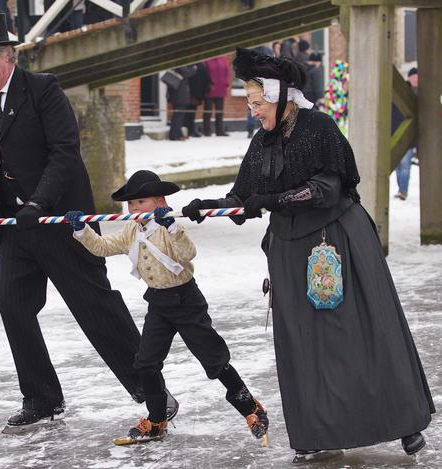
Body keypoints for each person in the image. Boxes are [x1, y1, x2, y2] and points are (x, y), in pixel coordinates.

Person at [182, 48, 435, 463]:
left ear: (281, 97)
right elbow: (244, 196)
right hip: (289, 251)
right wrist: (208, 205)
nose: (253, 111)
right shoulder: (262, 141)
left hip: (336, 241)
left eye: (258, 103)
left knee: (359, 336)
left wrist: (274, 199)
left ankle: (402, 422)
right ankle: (315, 431)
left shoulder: (319, 127)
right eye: (249, 103)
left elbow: (325, 189)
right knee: (302, 344)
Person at [0, 13, 178, 427]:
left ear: (6, 56)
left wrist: (39, 201)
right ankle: (42, 397)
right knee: (12, 304)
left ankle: (150, 387)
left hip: (62, 223)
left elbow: (64, 152)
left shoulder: (43, 90)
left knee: (93, 305)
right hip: (17, 229)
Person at [64, 170, 270, 443]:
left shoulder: (170, 225)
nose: (135, 208)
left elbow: (187, 254)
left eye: (142, 202)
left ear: (160, 202)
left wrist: (172, 228)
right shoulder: (130, 230)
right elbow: (102, 247)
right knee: (146, 363)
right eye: (131, 204)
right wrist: (82, 229)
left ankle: (250, 407)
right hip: (159, 304)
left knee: (214, 360)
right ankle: (157, 420)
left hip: (186, 301)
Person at [394, 67, 418, 201]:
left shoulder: (421, 93)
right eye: (413, 76)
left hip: (409, 135)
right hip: (397, 131)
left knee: (405, 165)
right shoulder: (402, 92)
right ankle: (401, 189)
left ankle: (403, 191)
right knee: (399, 166)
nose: (416, 79)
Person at [167, 65, 196, 141]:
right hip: (179, 93)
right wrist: (193, 69)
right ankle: (175, 135)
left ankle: (177, 133)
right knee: (179, 114)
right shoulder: (181, 65)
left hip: (178, 92)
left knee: (178, 114)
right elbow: (186, 72)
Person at [203, 55, 230, 137]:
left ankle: (219, 130)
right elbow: (204, 74)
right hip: (210, 89)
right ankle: (207, 131)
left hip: (221, 89)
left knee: (219, 112)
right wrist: (208, 85)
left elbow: (227, 72)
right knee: (208, 111)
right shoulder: (207, 60)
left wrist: (226, 83)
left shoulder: (223, 59)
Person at [184, 62, 211, 138]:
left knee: (190, 113)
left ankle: (190, 130)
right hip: (193, 93)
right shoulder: (199, 65)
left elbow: (205, 78)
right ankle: (190, 130)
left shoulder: (198, 65)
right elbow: (206, 79)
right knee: (190, 113)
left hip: (193, 93)